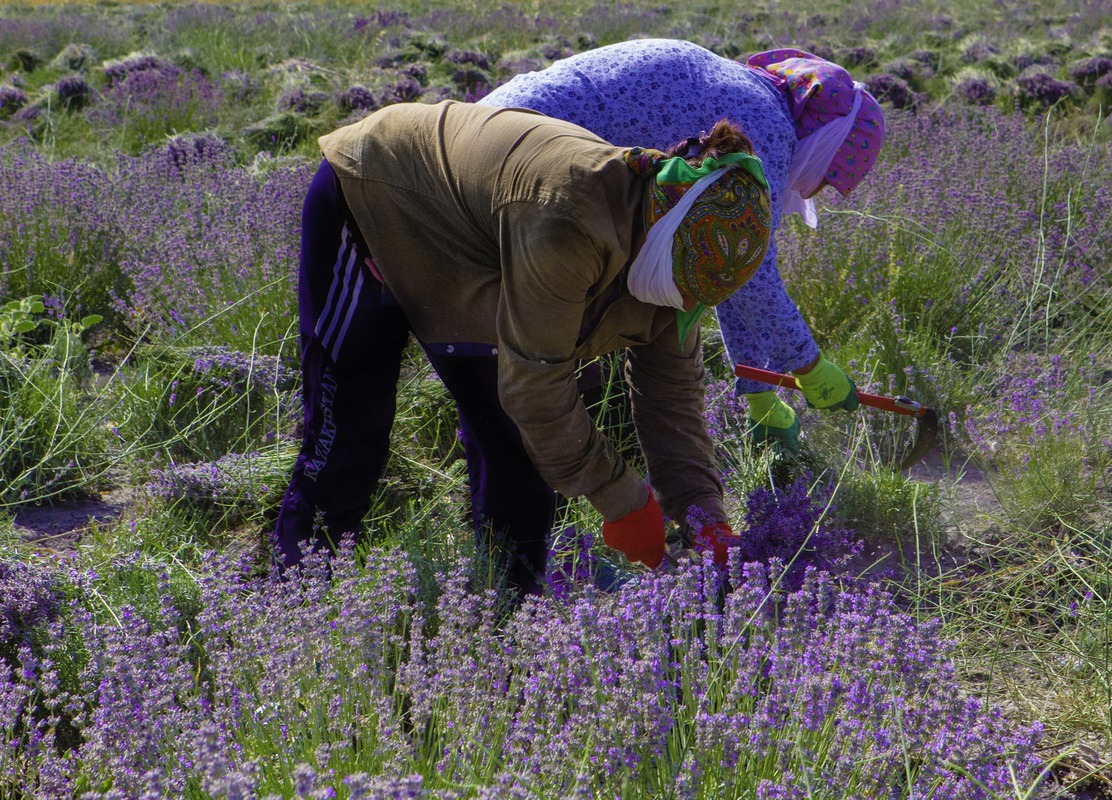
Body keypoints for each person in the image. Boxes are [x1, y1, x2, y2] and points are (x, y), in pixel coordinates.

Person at [274, 99, 773, 595]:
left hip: (477, 253)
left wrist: (704, 517)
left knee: (518, 461)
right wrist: (623, 499)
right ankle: (296, 596)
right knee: (350, 432)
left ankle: (506, 618)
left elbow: (672, 401)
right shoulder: (570, 222)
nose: (684, 306)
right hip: (376, 197)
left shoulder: (681, 259)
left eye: (697, 299)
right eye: (681, 291)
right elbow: (536, 389)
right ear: (664, 241)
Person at [481, 41, 887, 452]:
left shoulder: (748, 93)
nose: (820, 189)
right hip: (520, 168)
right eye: (831, 175)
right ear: (825, 142)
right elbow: (750, 274)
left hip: (486, 137)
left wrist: (757, 388)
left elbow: (732, 263)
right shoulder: (764, 126)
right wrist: (809, 366)